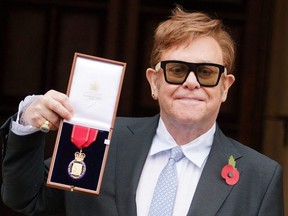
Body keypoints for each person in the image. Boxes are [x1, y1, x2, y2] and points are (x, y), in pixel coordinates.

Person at [0, 6, 284, 216]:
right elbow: (26, 199)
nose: (191, 83)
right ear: (153, 81)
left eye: (207, 73)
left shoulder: (260, 177)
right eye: (177, 70)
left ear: (225, 87)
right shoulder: (103, 139)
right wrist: (28, 121)